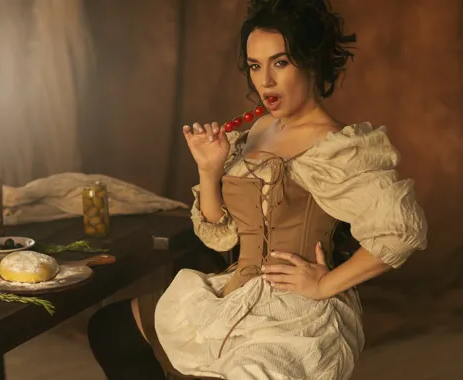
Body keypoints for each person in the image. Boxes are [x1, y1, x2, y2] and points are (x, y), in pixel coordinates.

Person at [87, 0, 428, 379]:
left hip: (294, 313)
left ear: (310, 63)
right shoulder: (260, 129)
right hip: (236, 293)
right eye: (255, 65)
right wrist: (209, 170)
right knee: (111, 329)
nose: (265, 80)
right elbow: (221, 237)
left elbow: (402, 232)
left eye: (280, 63)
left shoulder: (337, 146)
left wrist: (324, 285)